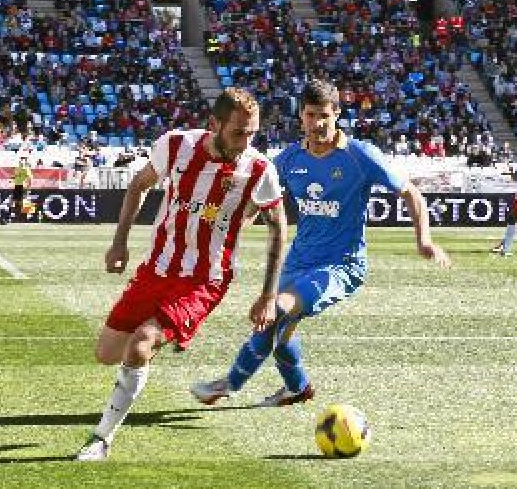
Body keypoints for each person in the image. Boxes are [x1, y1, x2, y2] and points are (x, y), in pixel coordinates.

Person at [190, 80, 450, 409]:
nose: (317, 123)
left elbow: (411, 193)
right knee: (280, 331)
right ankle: (297, 388)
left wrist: (424, 240)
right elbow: (257, 202)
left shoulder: (359, 156)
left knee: (277, 310)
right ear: (301, 115)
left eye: (324, 115)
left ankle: (229, 383)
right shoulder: (290, 158)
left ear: (337, 114)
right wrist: (229, 230)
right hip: (298, 261)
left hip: (340, 266)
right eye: (311, 115)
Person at [76, 88, 287, 461]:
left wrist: (268, 295)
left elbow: (278, 226)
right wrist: (119, 243)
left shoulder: (257, 169)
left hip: (206, 279)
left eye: (252, 133)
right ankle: (157, 342)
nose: (246, 142)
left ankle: (101, 439)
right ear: (214, 124)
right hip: (156, 270)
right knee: (107, 353)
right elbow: (138, 186)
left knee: (140, 343)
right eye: (238, 132)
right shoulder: (175, 146)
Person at [1, 156, 33, 224]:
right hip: (17, 186)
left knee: (23, 202)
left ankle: (28, 218)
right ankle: (8, 218)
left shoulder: (27, 169)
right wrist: (12, 179)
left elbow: (30, 179)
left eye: (23, 160)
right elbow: (16, 176)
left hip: (23, 187)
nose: (21, 161)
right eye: (21, 160)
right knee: (12, 202)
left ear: (25, 162)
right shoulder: (17, 168)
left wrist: (28, 188)